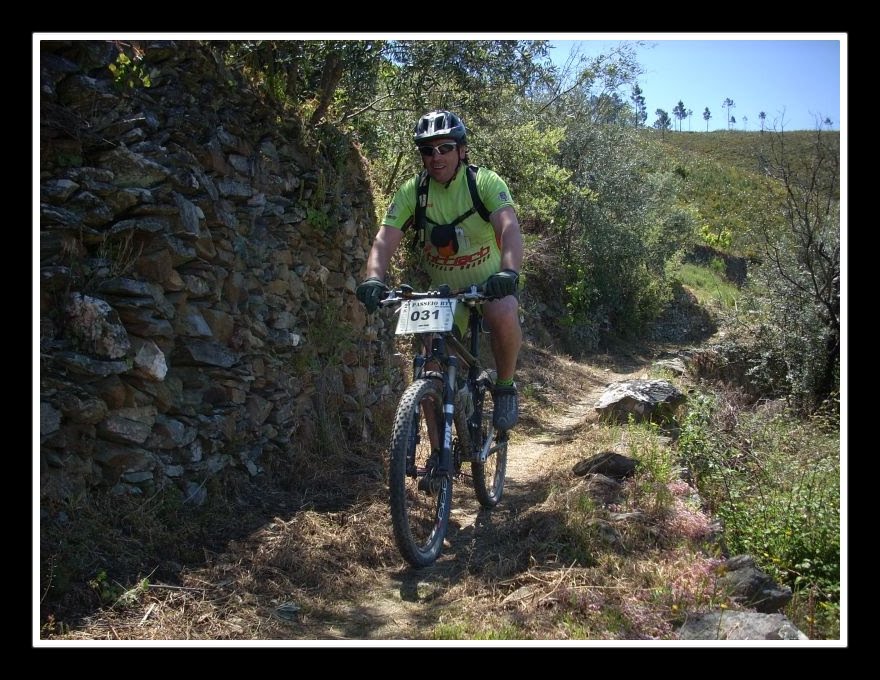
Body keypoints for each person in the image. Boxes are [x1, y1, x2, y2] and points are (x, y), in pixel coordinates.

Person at [356, 109, 523, 431]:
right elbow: (384, 240)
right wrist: (373, 278)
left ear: (462, 150)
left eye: (445, 147)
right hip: (444, 294)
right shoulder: (413, 192)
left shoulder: (483, 182)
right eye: (427, 150)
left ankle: (504, 387)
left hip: (489, 285)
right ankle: (437, 454)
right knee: (430, 367)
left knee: (503, 310)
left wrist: (509, 271)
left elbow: (509, 228)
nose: (436, 156)